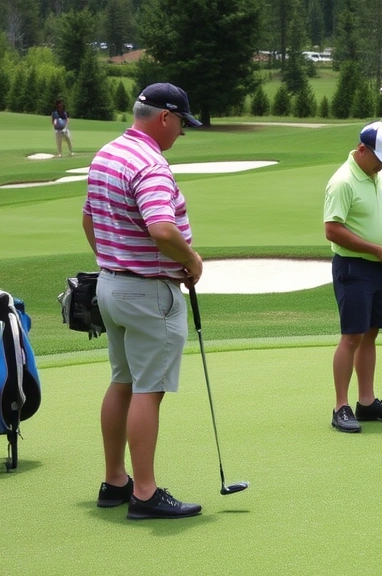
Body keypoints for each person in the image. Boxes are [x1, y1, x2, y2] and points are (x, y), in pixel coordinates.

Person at [83, 82, 205, 518]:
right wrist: (192, 260)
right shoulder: (151, 164)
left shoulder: (108, 153)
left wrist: (111, 260)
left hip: (111, 285)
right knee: (148, 391)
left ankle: (116, 481)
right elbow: (161, 229)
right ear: (165, 118)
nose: (182, 134)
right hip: (149, 292)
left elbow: (88, 218)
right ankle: (146, 494)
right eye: (182, 125)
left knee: (122, 382)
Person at [324, 121, 382, 434]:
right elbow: (332, 230)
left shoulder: (379, 173)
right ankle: (340, 407)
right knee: (352, 336)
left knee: (370, 333)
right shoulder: (343, 182)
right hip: (353, 268)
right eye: (379, 158)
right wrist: (377, 249)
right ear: (362, 150)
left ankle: (367, 401)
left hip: (379, 266)